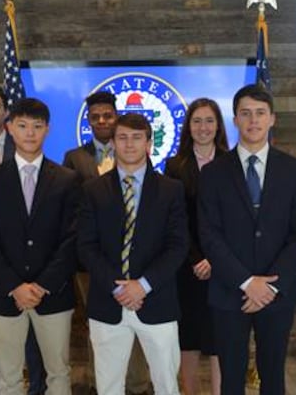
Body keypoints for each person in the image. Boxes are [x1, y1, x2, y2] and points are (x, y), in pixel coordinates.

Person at [198, 84, 296, 395]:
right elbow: (209, 235)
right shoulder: (213, 173)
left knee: (273, 375)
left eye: (260, 113)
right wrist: (248, 282)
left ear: (272, 119)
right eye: (245, 114)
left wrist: (270, 285)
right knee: (231, 378)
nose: (253, 121)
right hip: (228, 290)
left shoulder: (293, 170)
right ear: (234, 119)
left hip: (278, 293)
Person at [77, 113, 187, 395]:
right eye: (122, 137)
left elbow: (177, 246)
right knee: (109, 386)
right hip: (108, 302)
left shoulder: (171, 190)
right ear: (112, 143)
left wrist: (143, 285)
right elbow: (86, 246)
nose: (129, 144)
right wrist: (118, 287)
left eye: (137, 138)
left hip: (157, 300)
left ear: (149, 144)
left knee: (166, 385)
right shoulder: (92, 190)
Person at [0, 98, 79, 395]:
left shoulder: (67, 179)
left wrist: (43, 284)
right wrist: (14, 285)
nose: (30, 133)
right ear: (9, 129)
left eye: (37, 126)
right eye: (22, 126)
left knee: (58, 373)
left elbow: (71, 239)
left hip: (53, 294)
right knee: (8, 378)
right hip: (4, 294)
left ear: (47, 129)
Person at [63, 91, 151, 394]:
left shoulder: (135, 150)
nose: (102, 121)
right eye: (95, 116)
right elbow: (72, 208)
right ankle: (99, 384)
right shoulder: (75, 157)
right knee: (99, 326)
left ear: (116, 117)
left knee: (138, 321)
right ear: (88, 121)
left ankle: (138, 385)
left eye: (107, 115)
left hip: (138, 263)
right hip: (94, 262)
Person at [0, 84, 45, 395]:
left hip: (22, 260)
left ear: (6, 113)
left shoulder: (25, 145)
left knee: (32, 333)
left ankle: (37, 387)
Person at [163, 98, 228, 395]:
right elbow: (175, 221)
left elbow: (235, 222)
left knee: (218, 342)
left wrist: (215, 259)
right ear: (188, 126)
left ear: (218, 125)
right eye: (197, 121)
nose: (203, 127)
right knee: (188, 341)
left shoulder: (231, 162)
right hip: (186, 268)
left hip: (224, 268)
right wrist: (196, 259)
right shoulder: (175, 166)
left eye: (209, 121)